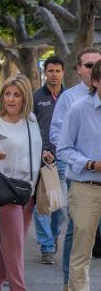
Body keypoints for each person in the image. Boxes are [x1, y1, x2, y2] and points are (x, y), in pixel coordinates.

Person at [0, 74, 52, 291]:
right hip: (3, 192)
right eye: (7, 94)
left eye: (17, 95)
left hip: (27, 192)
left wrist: (44, 156)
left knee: (6, 246)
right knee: (14, 249)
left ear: (25, 99)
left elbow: (30, 150)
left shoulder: (30, 120)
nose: (11, 99)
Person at [49, 47, 101, 290]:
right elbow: (61, 145)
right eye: (88, 66)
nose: (90, 70)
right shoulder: (75, 105)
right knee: (80, 248)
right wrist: (89, 163)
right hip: (85, 185)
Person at [31, 56, 67, 265]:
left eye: (57, 71)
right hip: (41, 159)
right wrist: (41, 151)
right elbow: (31, 128)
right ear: (45, 72)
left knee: (61, 208)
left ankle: (53, 237)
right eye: (50, 71)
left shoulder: (70, 97)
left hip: (63, 159)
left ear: (63, 72)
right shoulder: (36, 97)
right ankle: (46, 246)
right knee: (42, 206)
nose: (54, 75)